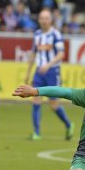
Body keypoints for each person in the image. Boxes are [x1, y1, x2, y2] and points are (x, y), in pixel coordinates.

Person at [24, 9, 74, 141]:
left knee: (53, 105)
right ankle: (37, 133)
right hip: (39, 72)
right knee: (35, 100)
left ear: (50, 20)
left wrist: (49, 64)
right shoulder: (37, 35)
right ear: (39, 20)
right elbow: (34, 54)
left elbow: (61, 54)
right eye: (41, 18)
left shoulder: (56, 34)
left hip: (52, 72)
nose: (44, 20)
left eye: (46, 18)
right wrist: (28, 73)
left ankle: (69, 125)